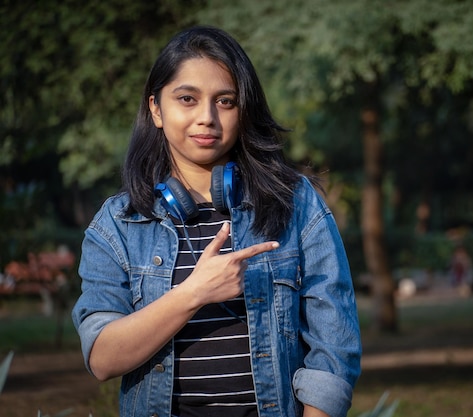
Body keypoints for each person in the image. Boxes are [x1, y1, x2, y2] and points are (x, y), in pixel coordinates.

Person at [72, 26, 361, 417]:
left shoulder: (296, 204)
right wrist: (194, 292)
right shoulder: (118, 224)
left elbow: (334, 347)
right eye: (187, 99)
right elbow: (103, 358)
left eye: (225, 101)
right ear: (156, 108)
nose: (206, 118)